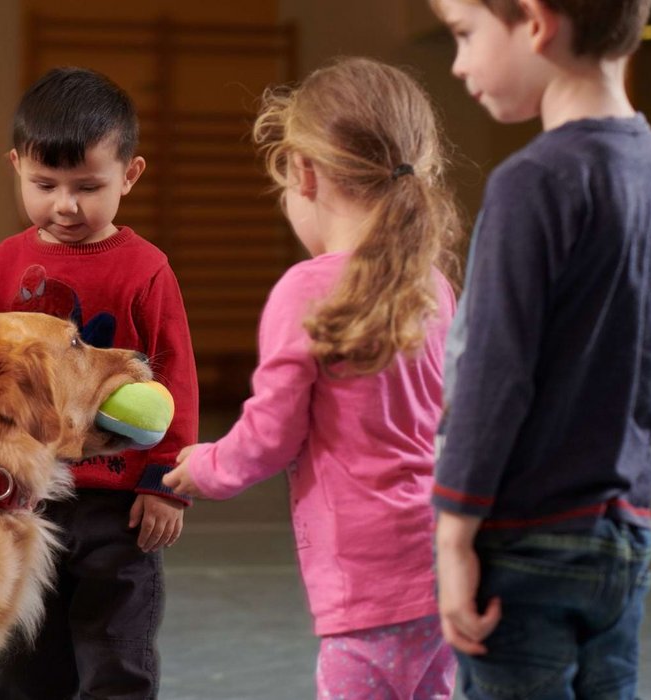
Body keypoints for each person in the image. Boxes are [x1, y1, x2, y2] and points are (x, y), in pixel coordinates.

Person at [163, 57, 464, 699]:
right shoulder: (434, 285)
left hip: (364, 582)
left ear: (304, 173)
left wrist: (207, 468)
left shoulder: (307, 289)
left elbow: (271, 434)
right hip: (444, 567)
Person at [428, 0, 651, 697]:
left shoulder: (530, 182)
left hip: (527, 539)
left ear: (535, 21)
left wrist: (453, 537)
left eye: (466, 35)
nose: (460, 63)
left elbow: (493, 377)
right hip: (622, 533)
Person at [0, 66, 199, 699]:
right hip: (21, 500)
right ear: (16, 167)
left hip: (117, 510)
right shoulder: (2, 267)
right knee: (25, 663)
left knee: (115, 655)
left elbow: (175, 375)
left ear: (130, 176)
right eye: (45, 184)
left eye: (88, 186)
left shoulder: (146, 271)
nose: (65, 205)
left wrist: (164, 482)